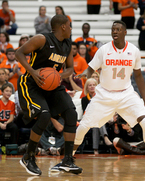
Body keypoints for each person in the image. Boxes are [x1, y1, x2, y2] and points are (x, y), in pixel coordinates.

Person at [72, 20, 145, 173]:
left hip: (126, 94)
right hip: (104, 95)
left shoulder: (134, 50)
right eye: (113, 29)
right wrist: (86, 77)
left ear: (125, 32)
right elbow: (90, 68)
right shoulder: (103, 50)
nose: (114, 31)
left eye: (118, 29)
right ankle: (69, 158)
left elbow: (139, 76)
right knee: (82, 127)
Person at [16, 14, 82, 175]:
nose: (71, 28)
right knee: (44, 115)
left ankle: (67, 160)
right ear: (63, 27)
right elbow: (19, 53)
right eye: (70, 25)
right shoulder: (42, 39)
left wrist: (60, 75)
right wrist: (32, 71)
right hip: (31, 84)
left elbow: (70, 69)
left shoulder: (67, 45)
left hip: (52, 84)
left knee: (71, 113)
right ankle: (28, 156)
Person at [81, 78, 112, 155]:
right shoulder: (84, 99)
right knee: (96, 121)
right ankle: (105, 136)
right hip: (89, 119)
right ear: (87, 87)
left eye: (94, 85)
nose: (92, 87)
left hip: (101, 119)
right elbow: (87, 111)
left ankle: (95, 150)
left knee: (96, 124)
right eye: (90, 85)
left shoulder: (101, 97)